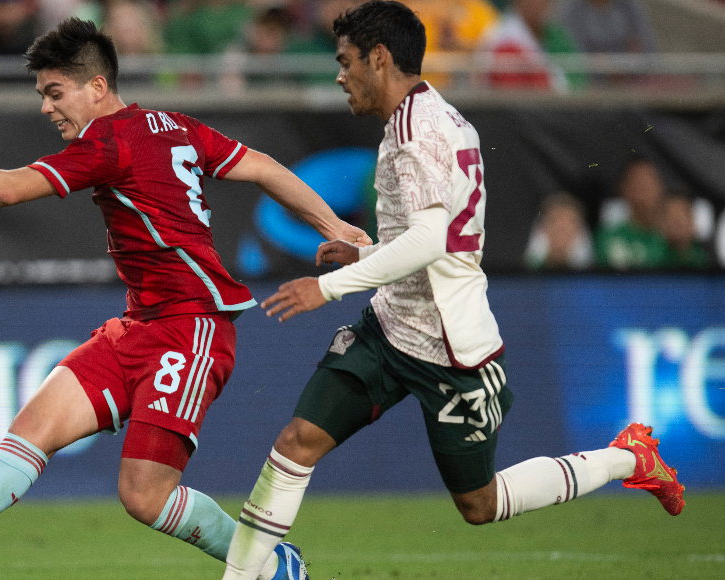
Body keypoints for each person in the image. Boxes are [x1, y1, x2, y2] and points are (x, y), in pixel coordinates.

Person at [0, 17, 369, 580]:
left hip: (191, 328)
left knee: (144, 496)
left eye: (55, 93)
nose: (47, 108)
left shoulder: (108, 141)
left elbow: (6, 189)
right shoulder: (174, 125)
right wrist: (332, 225)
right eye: (42, 95)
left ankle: (270, 564)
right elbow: (263, 166)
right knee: (35, 428)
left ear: (96, 88)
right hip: (139, 326)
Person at [220, 3, 685, 578]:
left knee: (479, 504)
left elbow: (431, 241)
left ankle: (626, 458)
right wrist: (366, 254)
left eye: (345, 62)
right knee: (296, 442)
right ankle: (243, 575)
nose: (339, 75)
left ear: (380, 58)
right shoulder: (434, 118)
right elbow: (436, 238)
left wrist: (332, 285)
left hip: (451, 349)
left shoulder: (417, 130)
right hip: (390, 328)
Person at [594, 155, 669, 269]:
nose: (643, 188)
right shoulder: (609, 238)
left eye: (648, 180)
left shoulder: (674, 237)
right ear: (623, 189)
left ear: (660, 186)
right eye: (637, 182)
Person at [523, 191, 593, 270]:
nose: (561, 236)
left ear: (581, 234)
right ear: (540, 230)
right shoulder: (519, 279)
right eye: (556, 226)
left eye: (568, 229)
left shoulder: (597, 279)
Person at [659, 192, 710, 270]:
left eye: (681, 217)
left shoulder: (708, 258)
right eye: (671, 218)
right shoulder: (653, 259)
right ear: (662, 224)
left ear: (692, 221)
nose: (676, 223)